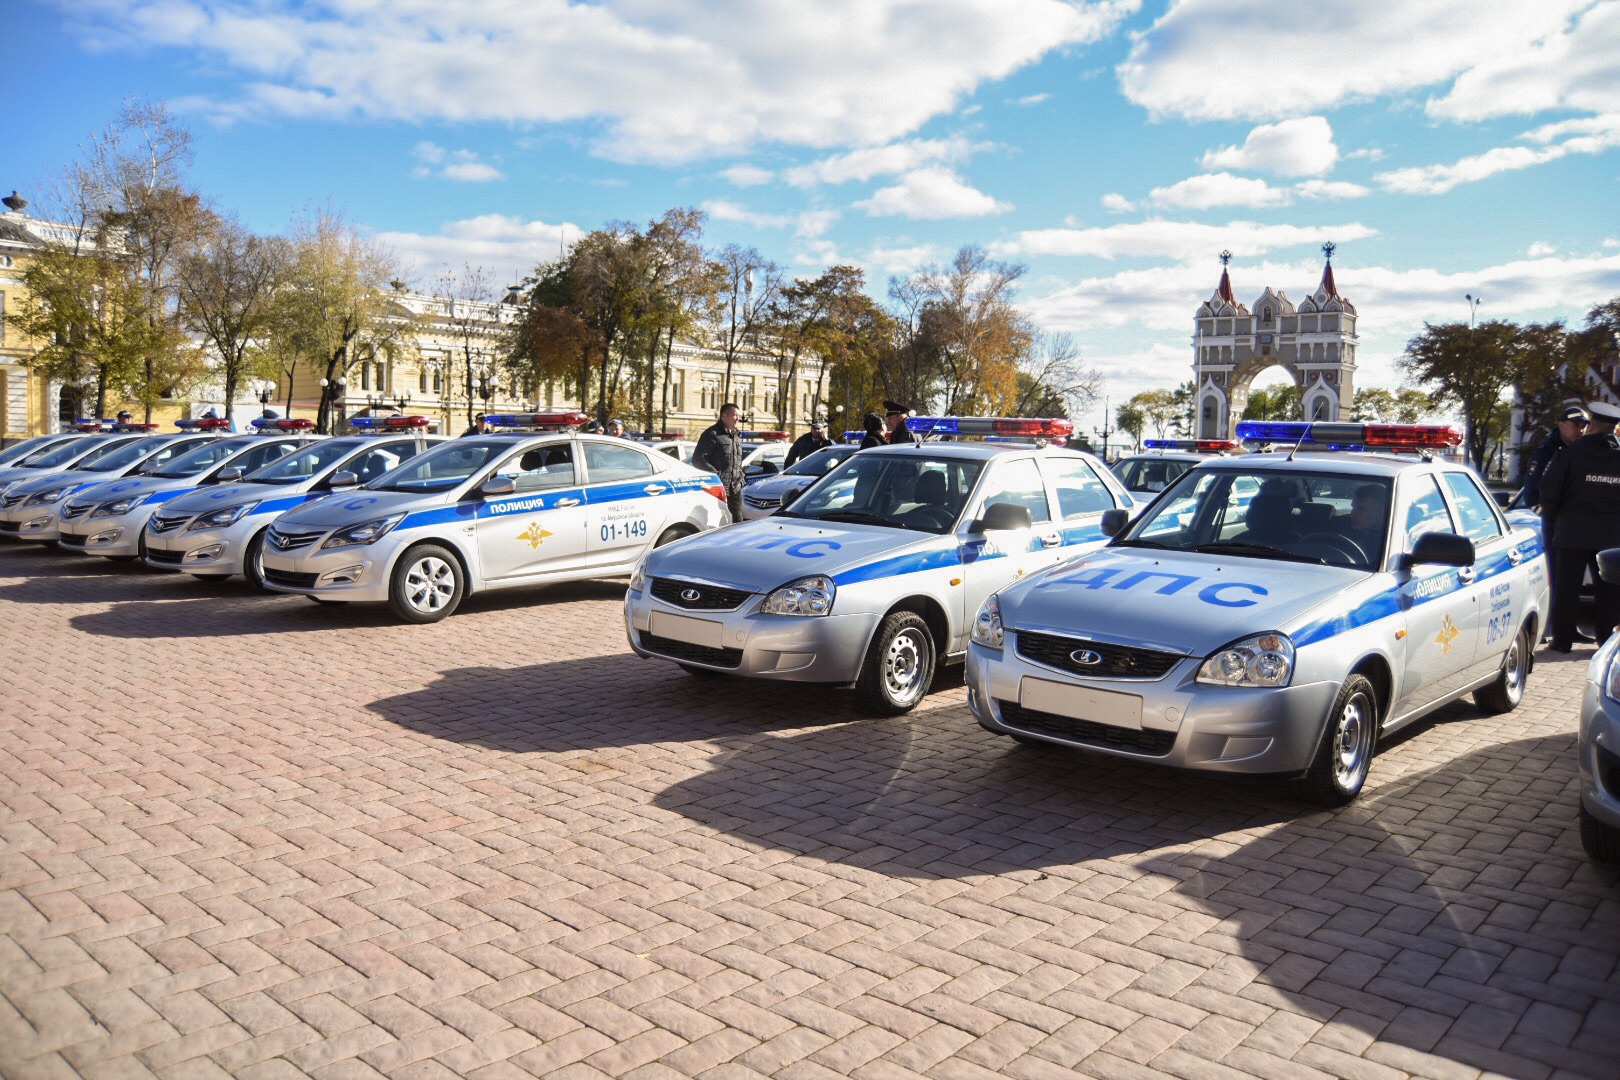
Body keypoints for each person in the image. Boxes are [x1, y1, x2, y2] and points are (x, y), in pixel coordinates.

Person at [1539, 400, 1620, 651]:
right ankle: (1605, 642)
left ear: (1593, 426)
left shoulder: (1569, 453)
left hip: (1572, 534)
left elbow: (1548, 491)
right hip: (1611, 538)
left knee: (1566, 590)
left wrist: (1555, 517)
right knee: (1609, 593)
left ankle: (1562, 641)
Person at [1519, 405, 1589, 509]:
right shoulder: (1544, 453)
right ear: (1561, 425)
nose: (1580, 430)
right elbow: (1531, 497)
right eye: (1576, 425)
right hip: (1554, 519)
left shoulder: (1586, 452)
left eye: (1583, 426)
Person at [693, 402, 745, 521]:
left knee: (738, 522)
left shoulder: (737, 435)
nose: (738, 418)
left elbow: (737, 460)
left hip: (735, 488)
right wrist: (717, 476)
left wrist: (741, 478)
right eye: (735, 415)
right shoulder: (712, 434)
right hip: (717, 489)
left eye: (739, 415)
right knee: (718, 523)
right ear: (724, 416)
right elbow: (698, 459)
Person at [1343, 484, 1388, 564]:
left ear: (1381, 512)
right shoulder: (1344, 531)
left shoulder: (1390, 543)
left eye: (1361, 509)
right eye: (1353, 508)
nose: (1352, 514)